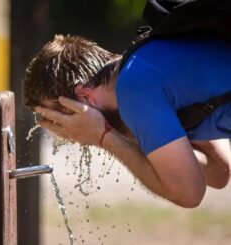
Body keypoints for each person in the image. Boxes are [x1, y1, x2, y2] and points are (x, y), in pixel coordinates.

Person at [23, 34, 231, 208]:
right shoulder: (145, 66)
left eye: (61, 119)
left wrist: (102, 136)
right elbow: (220, 171)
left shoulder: (133, 89)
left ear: (84, 96)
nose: (69, 134)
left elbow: (188, 192)